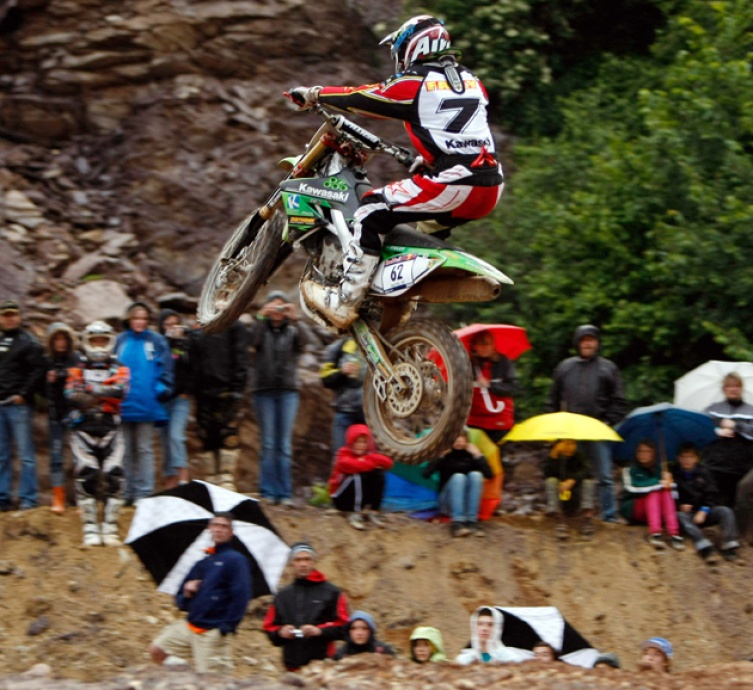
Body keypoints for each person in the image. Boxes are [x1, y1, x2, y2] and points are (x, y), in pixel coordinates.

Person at [287, 15, 504, 329]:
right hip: (490, 186)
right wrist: (430, 160)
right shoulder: (471, 80)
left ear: (413, 45)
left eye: (398, 51)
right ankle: (400, 300)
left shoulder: (417, 80)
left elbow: (364, 97)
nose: (397, 59)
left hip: (457, 182)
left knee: (370, 209)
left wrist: (317, 94)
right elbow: (462, 131)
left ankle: (345, 301)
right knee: (422, 227)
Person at [150, 512, 252, 673]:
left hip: (212, 632)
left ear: (231, 532)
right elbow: (180, 601)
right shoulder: (203, 562)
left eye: (224, 526)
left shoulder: (236, 560)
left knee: (215, 682)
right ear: (209, 529)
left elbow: (242, 595)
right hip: (189, 625)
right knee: (158, 650)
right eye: (215, 525)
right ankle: (186, 677)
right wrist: (187, 592)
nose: (219, 529)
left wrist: (226, 627)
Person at [546, 324, 629, 522]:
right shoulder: (565, 367)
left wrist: (608, 422)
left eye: (591, 340)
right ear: (577, 343)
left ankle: (609, 516)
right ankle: (569, 513)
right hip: (570, 431)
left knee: (604, 476)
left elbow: (619, 401)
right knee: (568, 472)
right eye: (584, 340)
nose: (587, 344)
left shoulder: (608, 368)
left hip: (598, 429)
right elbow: (552, 399)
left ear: (597, 343)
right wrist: (553, 427)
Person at [65, 321, 130, 547]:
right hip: (83, 427)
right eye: (95, 341)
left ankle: (110, 527)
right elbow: (71, 394)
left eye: (103, 340)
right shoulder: (77, 368)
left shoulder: (120, 367)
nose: (100, 345)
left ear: (110, 341)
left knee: (115, 474)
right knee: (87, 474)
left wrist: (92, 390)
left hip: (111, 426)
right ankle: (90, 526)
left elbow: (121, 391)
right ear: (87, 342)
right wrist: (105, 392)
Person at [115, 302, 173, 504]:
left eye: (143, 318)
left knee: (145, 449)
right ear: (129, 320)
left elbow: (166, 370)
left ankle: (144, 492)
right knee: (125, 450)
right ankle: (126, 491)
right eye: (136, 318)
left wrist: (157, 391)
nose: (140, 322)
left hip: (147, 404)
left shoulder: (157, 341)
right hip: (123, 405)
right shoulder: (120, 341)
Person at [249, 291, 303, 506]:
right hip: (264, 390)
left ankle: (285, 493)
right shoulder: (262, 328)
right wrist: (261, 317)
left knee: (284, 444)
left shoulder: (292, 330)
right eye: (273, 306)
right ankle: (268, 491)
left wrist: (296, 319)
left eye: (282, 306)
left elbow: (305, 344)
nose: (277, 311)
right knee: (268, 443)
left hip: (288, 391)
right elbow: (253, 341)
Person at [263, 542, 349, 671]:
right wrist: (281, 632)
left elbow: (345, 626)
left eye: (307, 559)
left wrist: (319, 631)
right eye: (298, 560)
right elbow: (269, 627)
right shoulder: (282, 595)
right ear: (292, 563)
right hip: (292, 666)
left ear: (313, 562)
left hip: (323, 666)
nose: (303, 564)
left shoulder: (332, 592)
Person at [189, 319, 248, 490]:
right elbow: (193, 360)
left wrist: (238, 388)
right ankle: (211, 480)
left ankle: (227, 479)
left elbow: (240, 356)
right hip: (202, 391)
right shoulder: (198, 327)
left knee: (228, 436)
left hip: (226, 389)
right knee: (206, 437)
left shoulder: (234, 325)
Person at [0, 300, 44, 511]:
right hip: (1, 404)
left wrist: (23, 394)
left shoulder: (28, 342)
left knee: (26, 454)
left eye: (13, 315)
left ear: (19, 317)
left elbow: (37, 371)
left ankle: (28, 498)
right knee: (2, 454)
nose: (9, 319)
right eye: (5, 315)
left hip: (18, 404)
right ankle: (3, 497)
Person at [703, 373, 753, 537]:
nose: (733, 389)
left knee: (738, 497)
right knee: (711, 494)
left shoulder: (750, 410)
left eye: (737, 386)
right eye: (730, 386)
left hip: (742, 464)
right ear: (724, 389)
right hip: (716, 462)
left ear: (741, 388)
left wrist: (737, 426)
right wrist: (718, 431)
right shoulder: (713, 408)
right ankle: (710, 527)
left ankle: (737, 535)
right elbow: (700, 429)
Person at [673, 442, 741, 563]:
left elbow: (712, 494)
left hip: (705, 511)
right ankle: (704, 547)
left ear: (696, 458)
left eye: (690, 457)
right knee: (679, 516)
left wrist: (704, 510)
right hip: (688, 515)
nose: (686, 460)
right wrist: (679, 505)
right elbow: (671, 497)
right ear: (678, 458)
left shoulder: (704, 472)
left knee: (725, 511)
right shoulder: (674, 475)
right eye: (683, 457)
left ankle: (729, 545)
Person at [422, 429, 493, 537]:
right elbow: (425, 474)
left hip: (466, 504)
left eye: (461, 438)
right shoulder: (446, 455)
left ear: (466, 440)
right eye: (455, 438)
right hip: (447, 503)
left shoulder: (471, 455)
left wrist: (479, 456)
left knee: (476, 475)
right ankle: (457, 523)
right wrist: (440, 456)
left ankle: (472, 522)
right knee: (458, 477)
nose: (458, 441)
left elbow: (489, 475)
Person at [620, 440, 684, 551]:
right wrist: (657, 482)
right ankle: (655, 533)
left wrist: (669, 481)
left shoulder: (661, 469)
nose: (643, 454)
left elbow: (673, 494)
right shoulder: (630, 470)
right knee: (654, 492)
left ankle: (674, 533)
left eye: (647, 451)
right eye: (640, 451)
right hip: (634, 507)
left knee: (665, 492)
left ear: (653, 454)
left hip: (657, 510)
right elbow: (633, 487)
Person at [43, 321, 79, 513]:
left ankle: (80, 497)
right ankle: (58, 497)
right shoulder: (46, 360)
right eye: (57, 338)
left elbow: (80, 380)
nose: (60, 342)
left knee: (78, 456)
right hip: (55, 415)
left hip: (74, 414)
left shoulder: (75, 358)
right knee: (56, 456)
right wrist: (48, 382)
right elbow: (40, 388)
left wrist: (64, 375)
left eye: (63, 338)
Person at [328, 423, 393, 530]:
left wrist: (367, 460)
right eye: (357, 441)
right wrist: (370, 462)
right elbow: (352, 465)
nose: (360, 445)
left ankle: (374, 511)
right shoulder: (342, 453)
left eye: (363, 442)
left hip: (360, 498)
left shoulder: (368, 455)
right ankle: (354, 513)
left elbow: (388, 463)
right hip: (340, 498)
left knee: (378, 474)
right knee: (358, 476)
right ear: (350, 442)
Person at [466, 330, 519, 444]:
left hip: (500, 420)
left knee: (498, 456)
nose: (486, 347)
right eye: (481, 344)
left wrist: (490, 385)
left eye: (488, 343)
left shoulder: (504, 362)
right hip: (474, 420)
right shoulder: (467, 364)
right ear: (474, 346)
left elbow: (513, 388)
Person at [157, 309, 191, 489]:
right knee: (165, 442)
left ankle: (183, 477)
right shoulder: (158, 344)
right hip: (161, 399)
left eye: (175, 324)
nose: (172, 328)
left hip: (180, 398)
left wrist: (181, 342)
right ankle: (170, 484)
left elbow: (191, 367)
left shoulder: (185, 344)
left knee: (176, 436)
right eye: (168, 324)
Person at [320, 337, 366, 458]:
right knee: (340, 460)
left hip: (370, 416)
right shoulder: (338, 347)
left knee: (368, 463)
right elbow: (325, 379)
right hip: (344, 412)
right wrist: (342, 372)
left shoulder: (375, 348)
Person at [543, 439, 596, 539]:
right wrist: (554, 456)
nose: (570, 447)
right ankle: (558, 519)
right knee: (551, 481)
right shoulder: (552, 457)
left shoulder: (578, 456)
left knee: (588, 482)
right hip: (560, 496)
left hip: (576, 496)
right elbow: (547, 473)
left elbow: (587, 470)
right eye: (566, 444)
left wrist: (572, 480)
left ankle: (587, 517)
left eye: (573, 444)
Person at [455, 606, 527, 664]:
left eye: (490, 625)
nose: (484, 629)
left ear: (497, 629)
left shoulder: (510, 659)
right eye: (480, 624)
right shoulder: (464, 660)